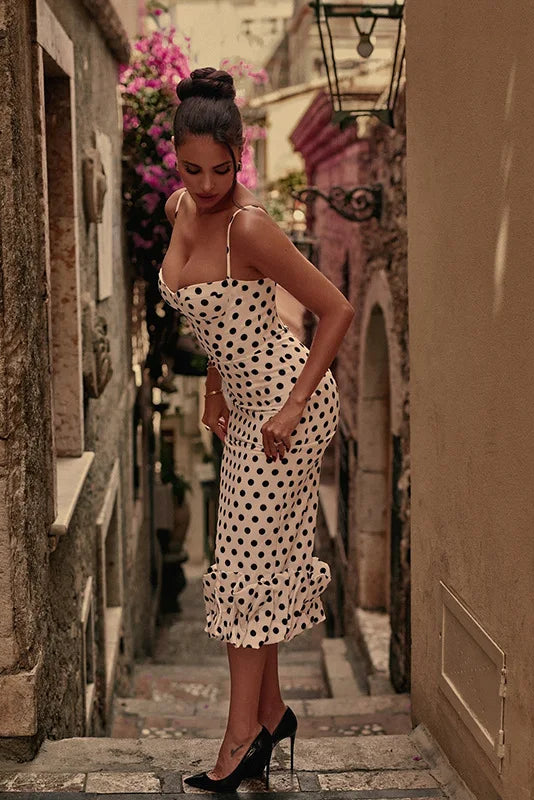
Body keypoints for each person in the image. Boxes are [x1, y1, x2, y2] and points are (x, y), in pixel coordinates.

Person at [158, 67, 354, 791]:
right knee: (253, 561)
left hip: (285, 408)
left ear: (239, 155)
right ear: (176, 160)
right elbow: (220, 317)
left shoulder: (251, 227)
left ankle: (241, 738)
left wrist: (295, 403)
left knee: (240, 564)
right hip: (243, 403)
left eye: (221, 169)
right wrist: (214, 386)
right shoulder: (183, 208)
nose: (207, 184)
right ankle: (271, 717)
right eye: (191, 168)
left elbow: (335, 310)